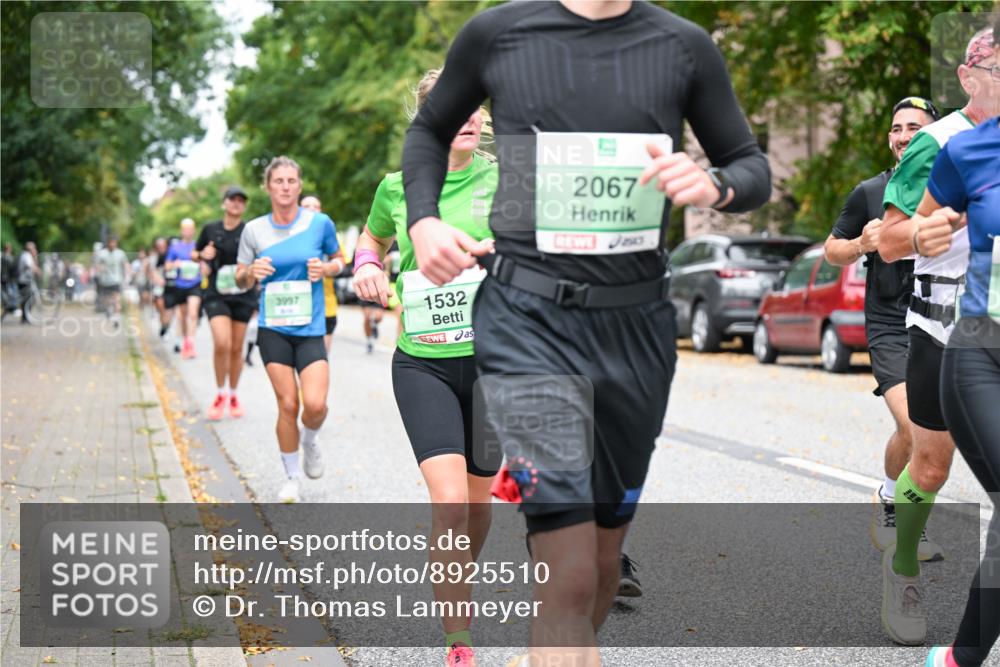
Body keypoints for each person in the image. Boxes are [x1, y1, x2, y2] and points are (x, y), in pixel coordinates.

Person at [401, 2, 771, 664]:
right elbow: (428, 130)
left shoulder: (683, 46)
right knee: (568, 572)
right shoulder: (498, 33)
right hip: (527, 322)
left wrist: (712, 184)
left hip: (636, 332)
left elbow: (750, 167)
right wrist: (423, 220)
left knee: (602, 568)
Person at [354, 68, 501, 667]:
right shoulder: (399, 186)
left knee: (477, 506)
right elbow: (370, 241)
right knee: (448, 503)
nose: (467, 116)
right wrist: (366, 265)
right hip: (424, 363)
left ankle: (455, 574)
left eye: (474, 107)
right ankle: (458, 639)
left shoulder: (507, 178)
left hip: (494, 364)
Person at [876, 26, 997, 647]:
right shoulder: (938, 143)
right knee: (930, 464)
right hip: (942, 328)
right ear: (968, 77)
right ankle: (903, 568)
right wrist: (925, 234)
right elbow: (888, 239)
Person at [823, 97, 943, 560]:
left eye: (915, 126)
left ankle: (898, 497)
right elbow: (831, 249)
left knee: (933, 435)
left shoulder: (955, 188)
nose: (903, 135)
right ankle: (896, 506)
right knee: (913, 426)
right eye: (897, 128)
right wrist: (860, 243)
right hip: (891, 323)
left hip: (937, 319)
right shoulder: (871, 191)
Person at [917, 108, 999, 667]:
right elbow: (909, 232)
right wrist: (923, 231)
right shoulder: (970, 149)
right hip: (980, 351)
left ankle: (960, 658)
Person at [236, 156, 343, 503]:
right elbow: (238, 278)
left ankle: (310, 440)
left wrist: (325, 269)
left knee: (315, 404)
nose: (285, 187)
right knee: (287, 403)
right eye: (278, 181)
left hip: (310, 327)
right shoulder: (253, 229)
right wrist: (252, 271)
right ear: (267, 187)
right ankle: (292, 478)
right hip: (273, 328)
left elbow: (341, 261)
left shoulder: (319, 223)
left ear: (299, 185)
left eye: (291, 181)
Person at [194, 186, 256, 420]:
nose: (237, 203)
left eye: (241, 200)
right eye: (233, 199)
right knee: (222, 342)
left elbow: (258, 259)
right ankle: (220, 393)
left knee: (236, 348)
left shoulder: (249, 231)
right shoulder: (211, 229)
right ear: (224, 204)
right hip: (216, 294)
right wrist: (202, 256)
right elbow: (194, 253)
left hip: (242, 295)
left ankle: (233, 394)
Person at [300, 195, 344, 353]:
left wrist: (326, 268)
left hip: (326, 306)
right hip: (297, 306)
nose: (311, 209)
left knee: (320, 358)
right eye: (306, 206)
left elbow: (342, 266)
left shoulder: (331, 237)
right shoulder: (292, 236)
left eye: (316, 206)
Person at [165, 219, 203, 358]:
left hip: (195, 284)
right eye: (185, 229)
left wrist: (203, 266)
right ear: (181, 231)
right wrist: (176, 264)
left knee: (193, 314)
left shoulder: (198, 246)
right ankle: (186, 339)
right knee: (183, 316)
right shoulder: (175, 248)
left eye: (190, 229)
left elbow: (205, 263)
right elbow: (167, 266)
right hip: (180, 285)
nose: (188, 231)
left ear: (193, 231)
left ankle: (190, 343)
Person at [94, 235, 130, 326]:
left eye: (114, 242)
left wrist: (128, 274)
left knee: (116, 300)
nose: (112, 244)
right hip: (105, 281)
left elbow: (125, 264)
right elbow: (97, 265)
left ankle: (117, 317)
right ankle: (109, 311)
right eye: (111, 242)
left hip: (116, 280)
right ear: (108, 243)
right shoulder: (102, 254)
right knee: (107, 301)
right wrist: (99, 270)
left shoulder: (120, 253)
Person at [17, 242, 40, 324]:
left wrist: (35, 257)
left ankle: (26, 317)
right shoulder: (26, 255)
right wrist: (37, 270)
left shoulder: (28, 256)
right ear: (30, 249)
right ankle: (25, 318)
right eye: (34, 248)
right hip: (24, 281)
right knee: (27, 300)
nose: (35, 249)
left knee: (28, 299)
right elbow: (30, 266)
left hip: (26, 281)